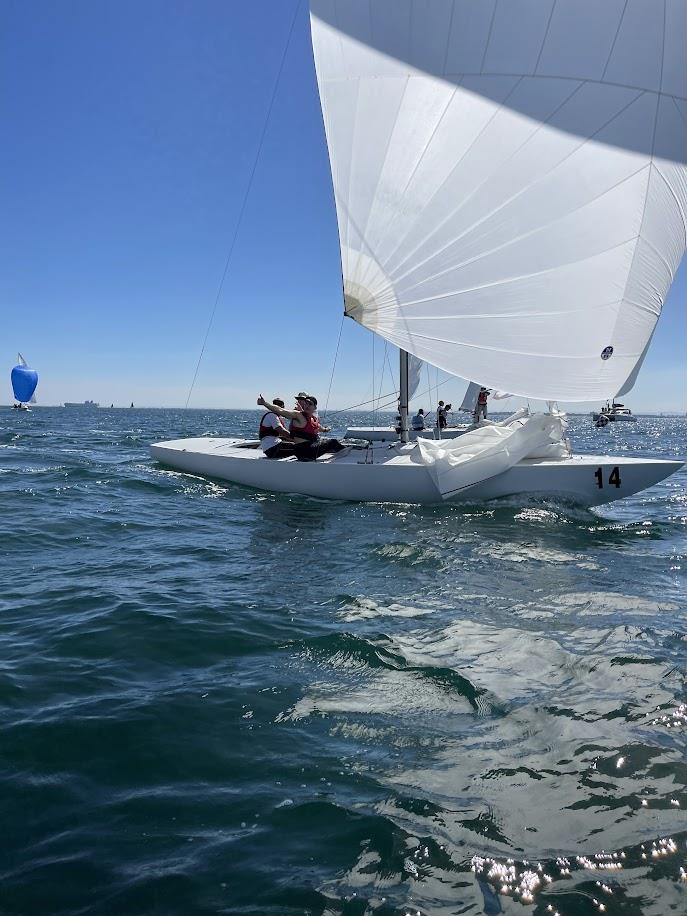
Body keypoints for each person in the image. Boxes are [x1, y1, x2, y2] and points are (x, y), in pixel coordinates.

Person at [256, 392, 345, 462]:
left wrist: (326, 429)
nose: (306, 406)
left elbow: (319, 427)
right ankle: (348, 455)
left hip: (304, 451)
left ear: (315, 407)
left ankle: (340, 452)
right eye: (305, 404)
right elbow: (280, 410)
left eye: (309, 404)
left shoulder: (312, 419)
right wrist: (265, 403)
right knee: (333, 442)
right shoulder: (298, 415)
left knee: (325, 443)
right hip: (306, 451)